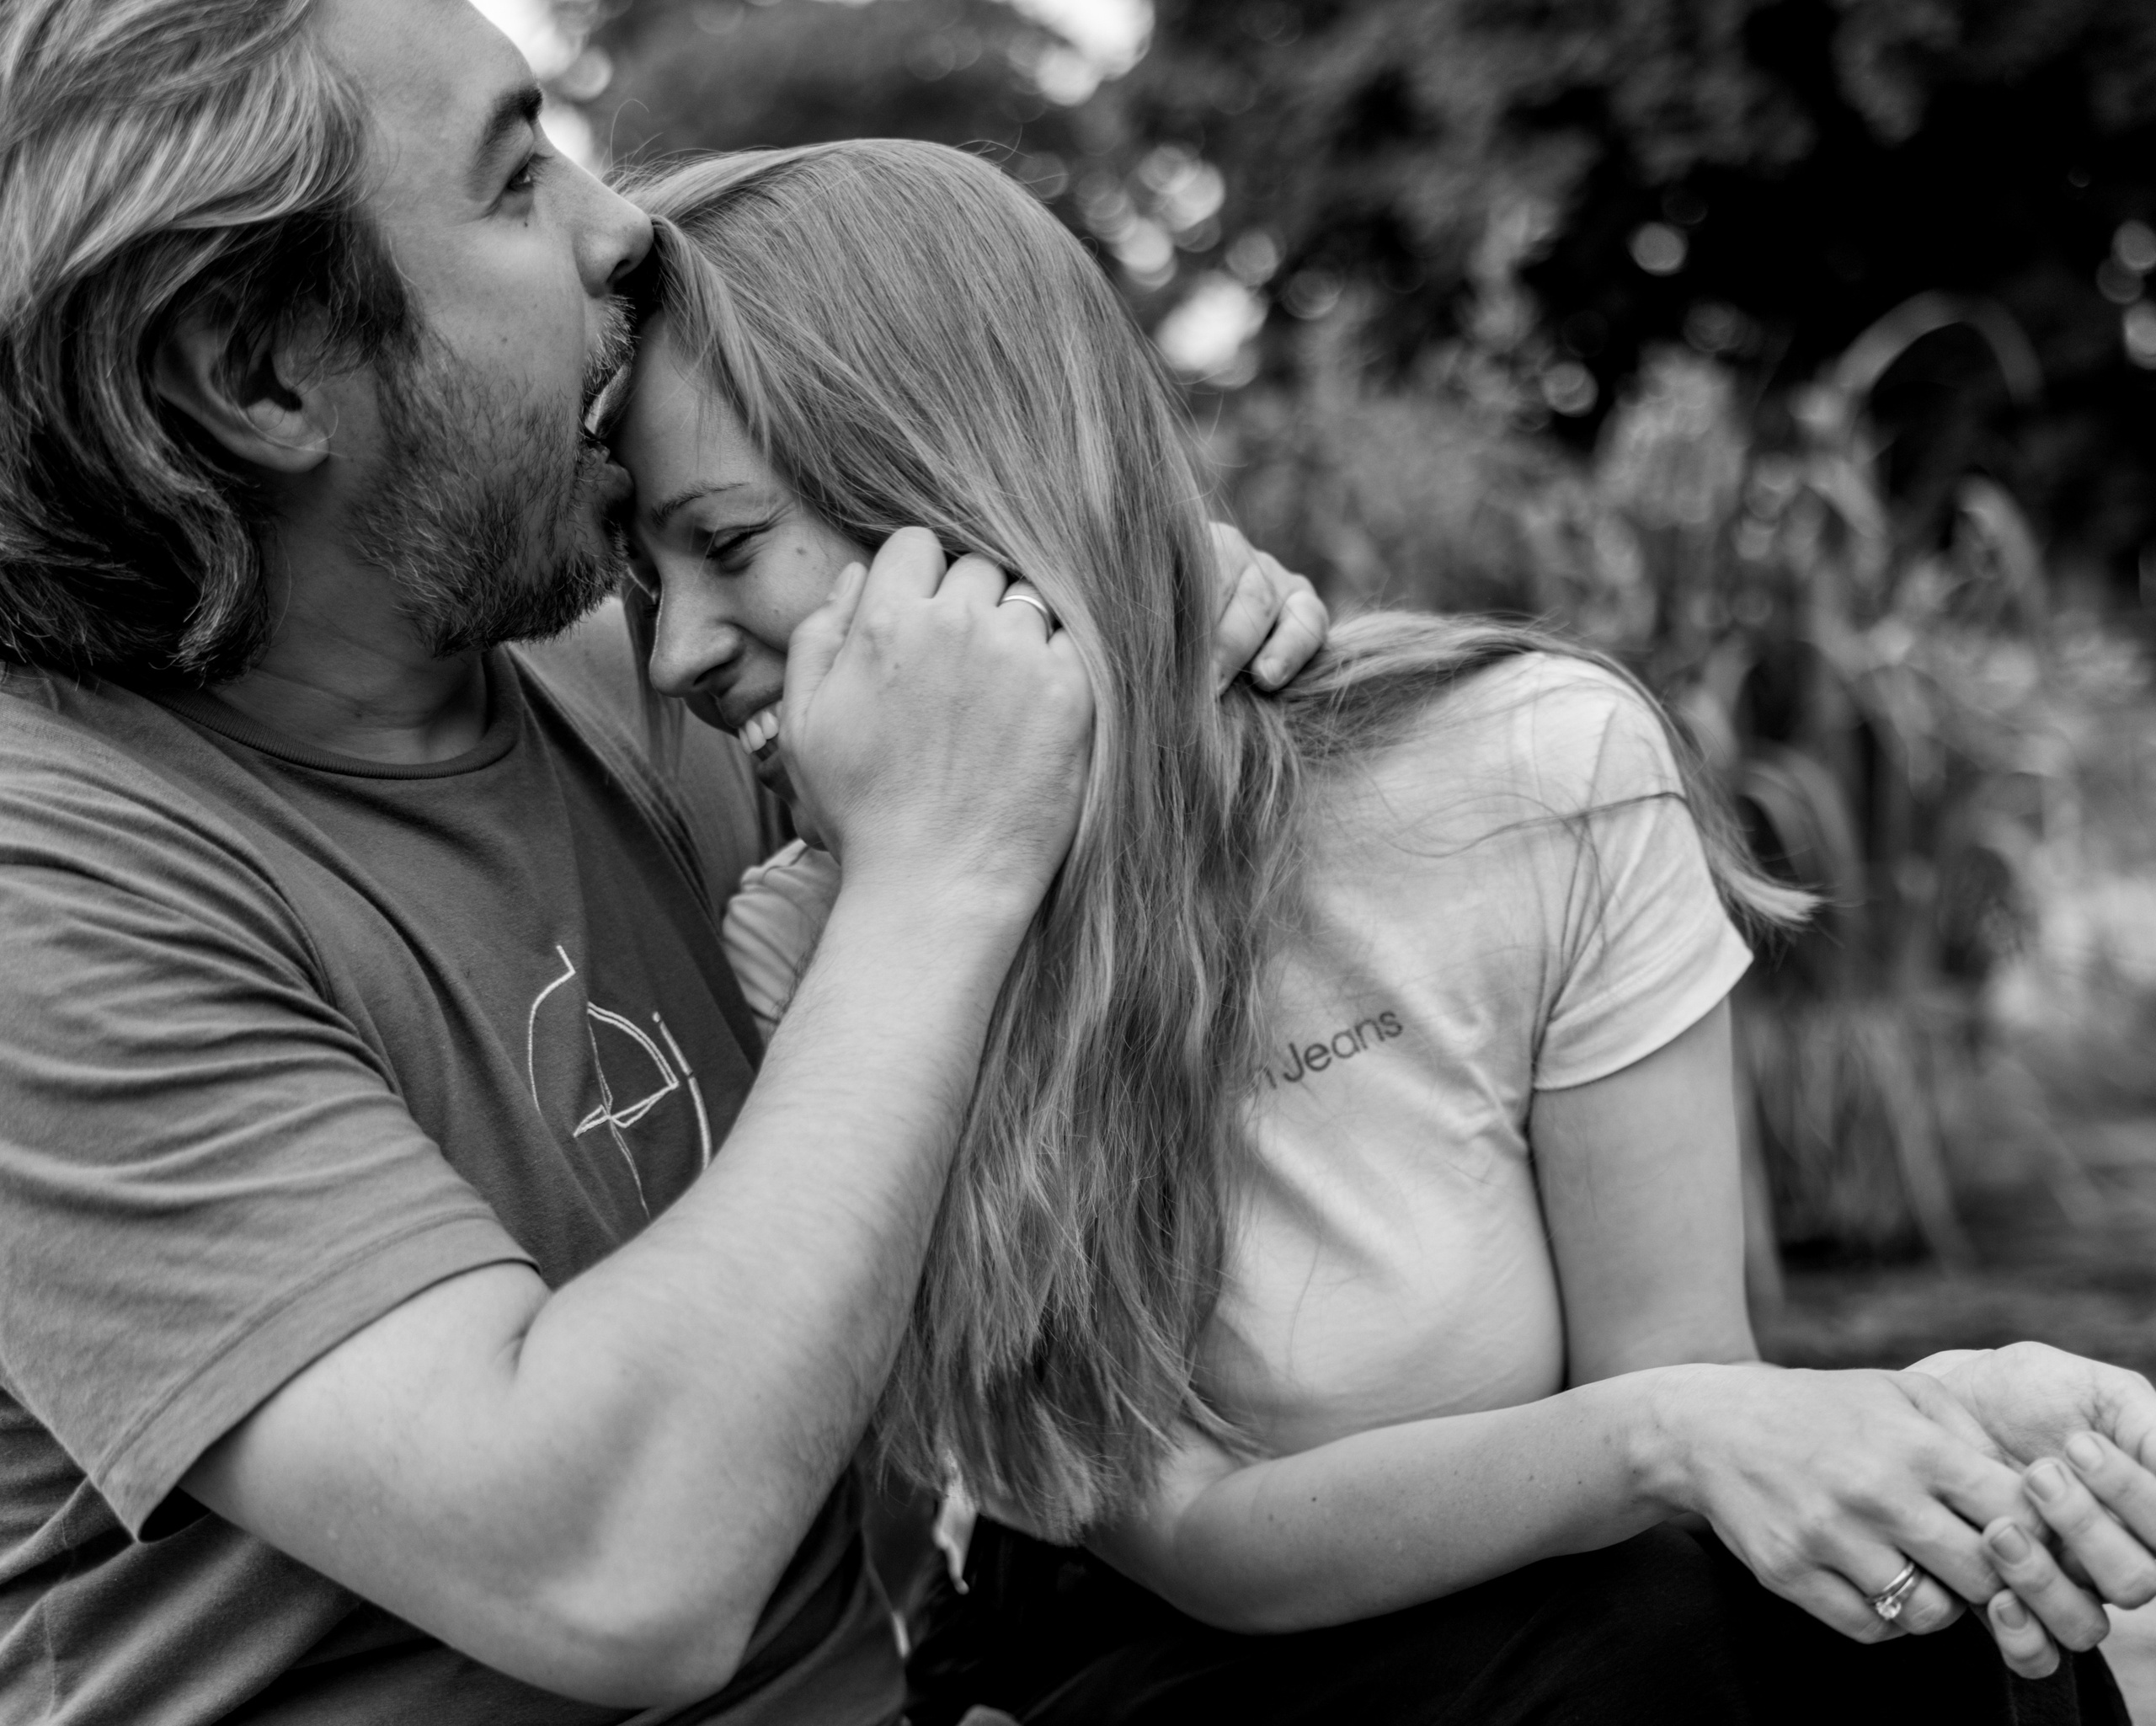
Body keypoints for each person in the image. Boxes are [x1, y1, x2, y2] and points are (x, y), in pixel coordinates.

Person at [611, 136, 2156, 1724]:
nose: (673, 650)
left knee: (1933, 1646)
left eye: (725, 545)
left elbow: (1689, 1388)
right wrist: (1673, 1437)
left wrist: (1927, 1413)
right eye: (640, 570)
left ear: (956, 474)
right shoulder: (845, 939)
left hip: (1593, 1602)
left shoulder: (1533, 772)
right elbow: (1201, 1537)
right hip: (1148, 1649)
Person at [0, 4, 1325, 1723]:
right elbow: (609, 1566)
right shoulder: (59, 879)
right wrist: (934, 875)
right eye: (510, 176)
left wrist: (1117, 611)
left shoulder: (629, 664)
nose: (621, 223)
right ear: (255, 372)